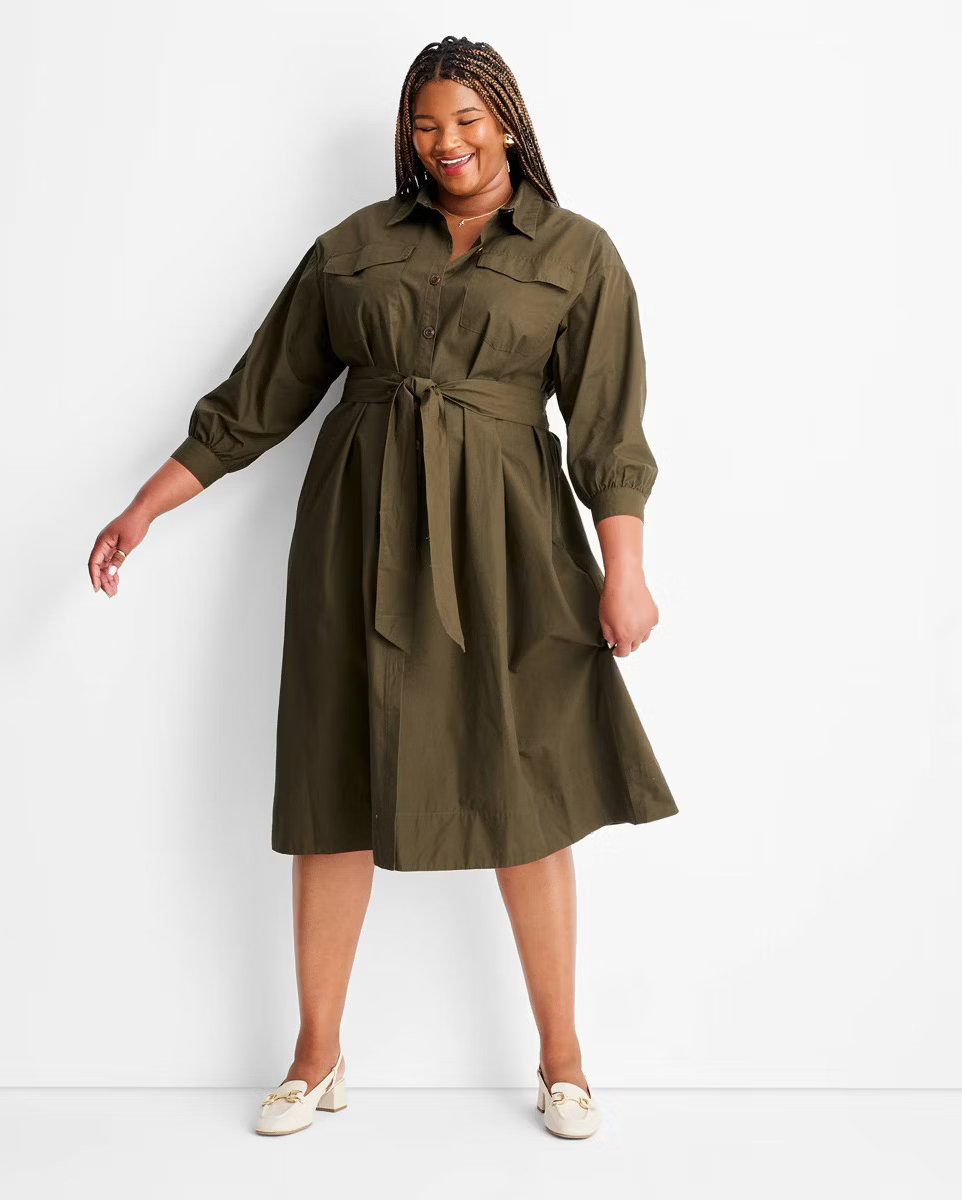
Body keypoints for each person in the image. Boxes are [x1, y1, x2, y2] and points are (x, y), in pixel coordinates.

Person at [88, 35, 678, 1140]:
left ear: (508, 122)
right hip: (355, 545)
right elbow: (256, 400)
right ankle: (316, 1056)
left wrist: (625, 569)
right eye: (426, 123)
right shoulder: (352, 248)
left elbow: (609, 431)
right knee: (335, 786)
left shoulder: (578, 254)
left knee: (527, 792)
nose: (447, 142)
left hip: (512, 551)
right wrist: (145, 507)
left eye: (467, 120)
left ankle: (564, 1061)